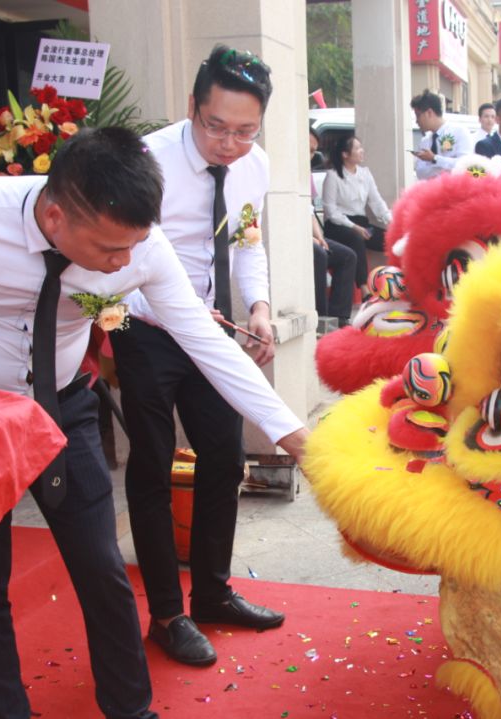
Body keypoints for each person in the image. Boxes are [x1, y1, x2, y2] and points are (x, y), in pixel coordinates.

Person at [0, 126, 308, 718]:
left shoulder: (142, 247)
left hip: (64, 407)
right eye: (111, 251)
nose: (125, 264)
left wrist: (296, 438)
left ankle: (131, 710)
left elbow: (206, 344)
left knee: (103, 569)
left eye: (133, 247)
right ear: (56, 217)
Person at [111, 46, 304, 671]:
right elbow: (118, 253)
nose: (229, 142)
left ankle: (214, 591)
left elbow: (248, 241)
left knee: (224, 457)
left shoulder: (253, 166)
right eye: (216, 126)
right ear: (193, 107)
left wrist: (259, 308)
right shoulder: (148, 159)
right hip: (146, 329)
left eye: (245, 131)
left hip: (215, 331)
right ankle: (168, 613)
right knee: (152, 465)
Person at [322, 134, 392, 294]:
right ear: (345, 154)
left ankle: (398, 283)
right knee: (356, 238)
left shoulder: (365, 174)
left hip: (362, 223)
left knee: (389, 239)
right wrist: (354, 227)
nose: (362, 151)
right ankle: (364, 288)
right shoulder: (333, 176)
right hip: (338, 225)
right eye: (357, 148)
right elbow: (331, 211)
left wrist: (391, 221)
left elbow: (376, 201)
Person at [309, 128, 357, 326]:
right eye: (307, 150)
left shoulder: (307, 174)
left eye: (313, 152)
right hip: (289, 237)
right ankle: (320, 318)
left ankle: (339, 317)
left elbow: (309, 210)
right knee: (318, 255)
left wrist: (318, 237)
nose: (310, 156)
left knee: (347, 256)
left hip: (309, 235)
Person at [411, 89, 475, 180]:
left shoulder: (459, 132)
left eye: (418, 116)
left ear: (429, 113)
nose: (417, 121)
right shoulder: (425, 141)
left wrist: (435, 159)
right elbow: (420, 172)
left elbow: (466, 165)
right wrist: (444, 166)